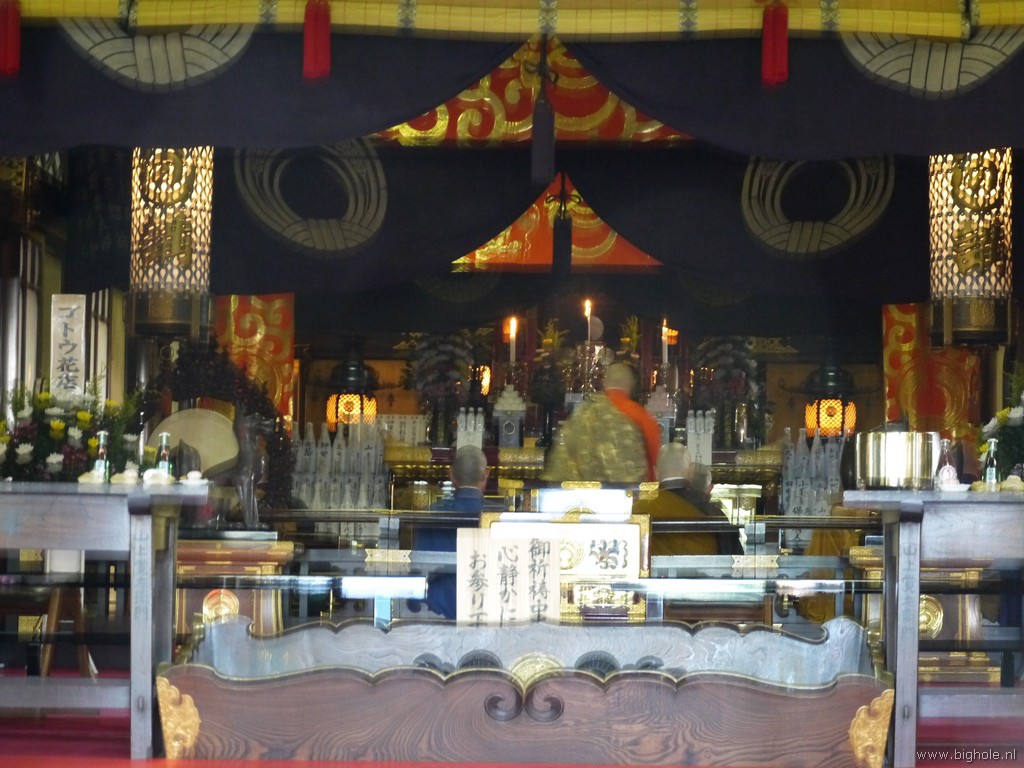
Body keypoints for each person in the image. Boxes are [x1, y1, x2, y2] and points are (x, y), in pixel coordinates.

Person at [543, 362, 662, 483]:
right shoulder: (640, 415)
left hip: (576, 492)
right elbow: (655, 461)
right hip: (624, 491)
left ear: (605, 382)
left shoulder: (580, 414)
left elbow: (561, 459)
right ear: (631, 384)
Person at [411, 445, 489, 619]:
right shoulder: (499, 516)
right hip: (488, 610)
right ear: (486, 475)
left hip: (436, 611)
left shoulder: (431, 515)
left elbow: (417, 570)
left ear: (451, 475)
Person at [633, 441, 743, 557]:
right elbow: (733, 558)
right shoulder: (712, 513)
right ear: (690, 472)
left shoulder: (640, 510)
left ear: (656, 472)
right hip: (702, 569)